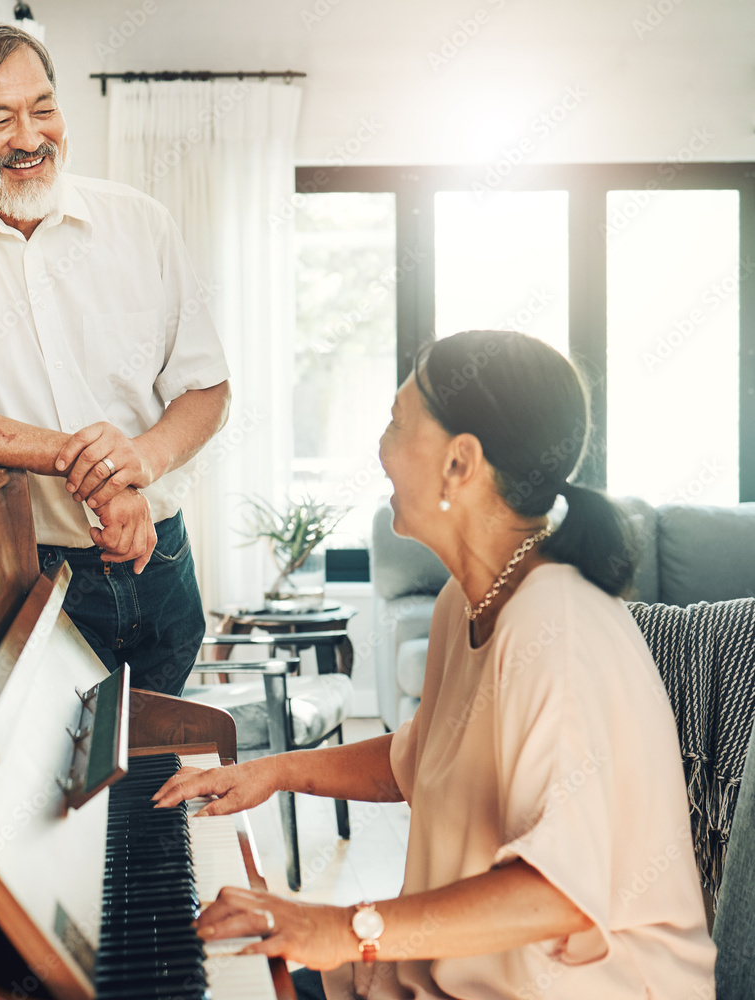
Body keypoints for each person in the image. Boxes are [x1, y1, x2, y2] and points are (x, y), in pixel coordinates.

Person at [154, 330, 717, 999]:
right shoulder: (465, 602)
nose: (383, 447)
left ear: (460, 462)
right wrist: (267, 773)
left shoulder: (557, 630)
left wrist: (346, 927)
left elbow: (560, 894)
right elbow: (418, 759)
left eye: (397, 423)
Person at [0, 19, 230, 695]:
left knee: (158, 781)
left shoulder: (142, 222)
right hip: (24, 570)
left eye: (43, 108)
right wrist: (90, 464)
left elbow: (207, 388)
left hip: (161, 556)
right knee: (46, 792)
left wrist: (141, 460)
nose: (31, 137)